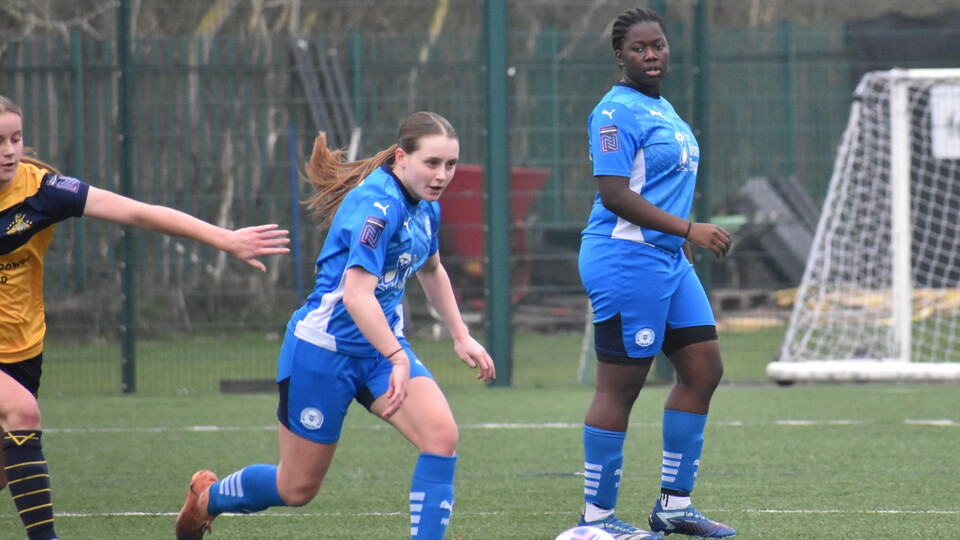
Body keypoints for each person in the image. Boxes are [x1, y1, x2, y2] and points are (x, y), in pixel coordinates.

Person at [175, 111, 496, 540]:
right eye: (432, 163)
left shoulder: (427, 207)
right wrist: (398, 356)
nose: (442, 175)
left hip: (378, 353)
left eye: (450, 165)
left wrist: (460, 334)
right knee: (296, 487)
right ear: (401, 158)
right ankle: (207, 498)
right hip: (323, 352)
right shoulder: (377, 208)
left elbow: (432, 269)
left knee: (441, 437)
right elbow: (355, 296)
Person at [0, 94, 290, 540]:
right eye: (0, 141)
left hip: (23, 346)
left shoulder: (42, 190)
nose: (9, 150)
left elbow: (139, 212)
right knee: (24, 414)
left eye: (16, 138)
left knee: (7, 469)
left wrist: (225, 239)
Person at [575, 8, 736, 540]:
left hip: (666, 259)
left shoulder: (664, 109)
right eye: (640, 48)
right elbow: (615, 195)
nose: (651, 55)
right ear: (620, 55)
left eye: (659, 45)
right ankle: (595, 522)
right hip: (625, 258)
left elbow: (658, 187)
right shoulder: (613, 113)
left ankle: (673, 506)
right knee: (620, 388)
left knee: (703, 370)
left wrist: (677, 241)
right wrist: (689, 229)